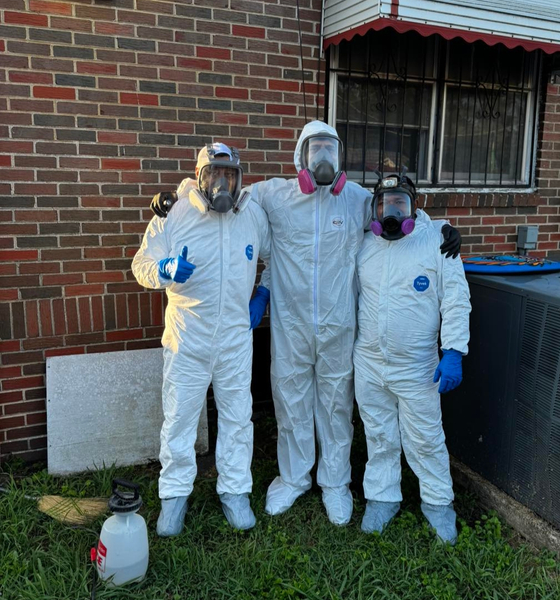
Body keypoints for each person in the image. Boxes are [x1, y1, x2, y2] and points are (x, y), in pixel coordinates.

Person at [149, 121, 462, 526]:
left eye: (330, 150)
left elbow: (398, 212)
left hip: (338, 325)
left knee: (335, 406)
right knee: (291, 402)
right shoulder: (274, 195)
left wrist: (438, 228)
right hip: (291, 324)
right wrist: (175, 196)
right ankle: (294, 478)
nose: (323, 161)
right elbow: (218, 191)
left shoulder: (355, 199)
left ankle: (335, 484)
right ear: (299, 156)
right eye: (315, 151)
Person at [132, 143, 271, 536]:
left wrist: (263, 292)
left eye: (229, 175)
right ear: (199, 177)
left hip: (234, 340)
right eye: (214, 175)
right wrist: (165, 268)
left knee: (237, 419)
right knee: (179, 420)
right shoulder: (174, 212)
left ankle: (235, 491)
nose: (222, 183)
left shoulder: (251, 216)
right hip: (187, 338)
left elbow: (277, 256)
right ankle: (174, 497)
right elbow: (141, 265)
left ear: (239, 178)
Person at [354, 172, 471, 544]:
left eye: (400, 204)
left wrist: (453, 350)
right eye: (385, 204)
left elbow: (455, 300)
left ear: (415, 206)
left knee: (425, 440)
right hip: (369, 362)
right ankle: (382, 498)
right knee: (379, 436)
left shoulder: (438, 243)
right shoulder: (364, 244)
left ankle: (438, 505)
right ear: (375, 208)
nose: (391, 212)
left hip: (418, 366)